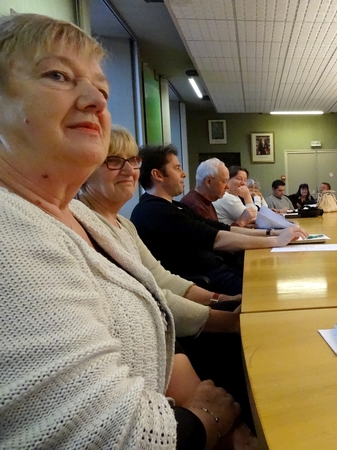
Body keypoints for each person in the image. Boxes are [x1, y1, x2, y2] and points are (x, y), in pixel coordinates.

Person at [0, 14, 239, 449]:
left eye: (103, 89)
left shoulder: (82, 217)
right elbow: (107, 433)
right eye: (58, 75)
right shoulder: (10, 233)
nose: (95, 99)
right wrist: (208, 420)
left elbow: (154, 296)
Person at [79, 125, 258, 438]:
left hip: (170, 330)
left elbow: (160, 279)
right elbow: (153, 297)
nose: (127, 170)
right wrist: (228, 321)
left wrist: (222, 302)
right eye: (112, 161)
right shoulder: (90, 224)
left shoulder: (122, 223)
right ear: (83, 165)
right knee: (240, 359)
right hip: (160, 344)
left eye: (132, 160)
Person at [130, 145, 307, 295]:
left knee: (271, 278)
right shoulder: (155, 211)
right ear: (158, 175)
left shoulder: (174, 206)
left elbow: (221, 228)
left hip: (215, 270)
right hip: (205, 281)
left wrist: (275, 232)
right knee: (268, 288)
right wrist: (275, 240)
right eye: (177, 168)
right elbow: (216, 238)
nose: (183, 174)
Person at [180, 157, 229, 222]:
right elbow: (214, 231)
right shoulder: (195, 206)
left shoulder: (203, 201)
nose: (227, 187)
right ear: (208, 181)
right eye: (224, 181)